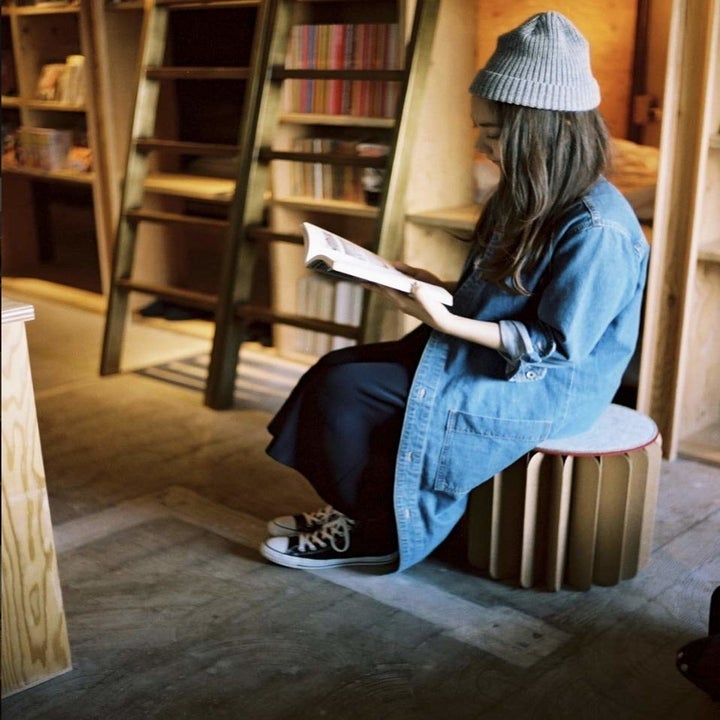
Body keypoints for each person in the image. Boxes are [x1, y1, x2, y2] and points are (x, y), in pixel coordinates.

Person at [259, 12, 649, 572]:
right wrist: (423, 285)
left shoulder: (598, 227)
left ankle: (376, 532)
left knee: (346, 389)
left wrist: (445, 324)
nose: (483, 145)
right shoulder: (523, 194)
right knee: (335, 372)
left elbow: (556, 346)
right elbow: (497, 298)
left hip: (543, 383)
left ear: (540, 127)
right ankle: (362, 511)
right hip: (484, 348)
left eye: (493, 133)